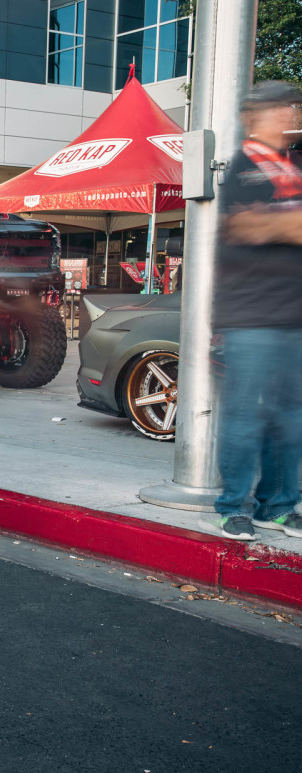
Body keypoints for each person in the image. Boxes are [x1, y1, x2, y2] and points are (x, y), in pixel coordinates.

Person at [206, 81, 302, 540]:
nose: (294, 112)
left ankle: (279, 506)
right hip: (251, 315)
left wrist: (281, 222)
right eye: (287, 106)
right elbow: (249, 226)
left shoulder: (295, 165)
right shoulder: (245, 167)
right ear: (261, 114)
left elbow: (277, 224)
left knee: (292, 417)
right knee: (245, 416)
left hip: (294, 314)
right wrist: (285, 223)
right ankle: (233, 507)